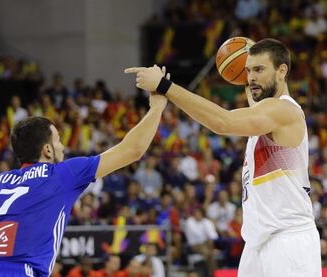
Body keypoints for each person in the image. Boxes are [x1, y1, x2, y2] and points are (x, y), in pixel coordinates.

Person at [0, 88, 168, 276]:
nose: (63, 146)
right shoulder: (62, 173)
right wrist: (157, 106)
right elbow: (133, 149)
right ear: (48, 150)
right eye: (59, 140)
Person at [125, 38, 321, 276]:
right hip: (258, 242)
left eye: (259, 69)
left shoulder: (283, 110)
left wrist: (166, 86)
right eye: (248, 70)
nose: (251, 77)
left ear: (282, 71)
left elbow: (223, 122)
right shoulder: (263, 112)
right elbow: (251, 99)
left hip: (288, 240)